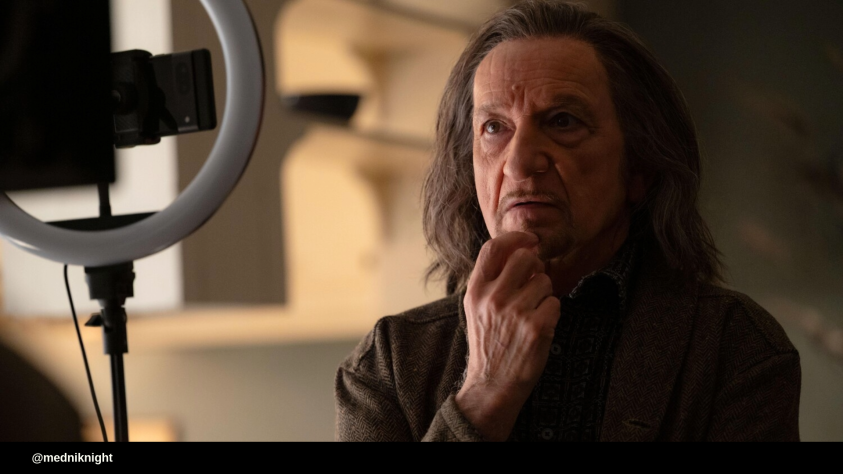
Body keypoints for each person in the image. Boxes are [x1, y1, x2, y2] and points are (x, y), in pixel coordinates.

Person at [335, 0, 801, 442]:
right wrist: (484, 393)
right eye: (494, 127)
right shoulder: (388, 364)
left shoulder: (734, 348)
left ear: (640, 166)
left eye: (562, 122)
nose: (519, 162)